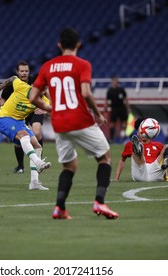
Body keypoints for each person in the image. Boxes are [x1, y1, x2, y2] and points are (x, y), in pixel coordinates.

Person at [29, 27, 118, 219]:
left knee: (69, 166)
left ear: (59, 45)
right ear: (78, 44)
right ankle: (100, 202)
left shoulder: (47, 66)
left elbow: (32, 97)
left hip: (59, 123)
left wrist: (50, 108)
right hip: (80, 119)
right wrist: (98, 113)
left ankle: (59, 208)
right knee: (105, 158)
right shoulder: (82, 64)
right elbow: (85, 93)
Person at [0, 76, 51, 190]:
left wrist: (46, 111)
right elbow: (13, 78)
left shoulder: (43, 100)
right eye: (41, 87)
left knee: (37, 145)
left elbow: (51, 110)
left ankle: (34, 182)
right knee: (24, 135)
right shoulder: (22, 86)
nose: (43, 90)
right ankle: (38, 162)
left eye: (44, 88)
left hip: (19, 122)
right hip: (5, 118)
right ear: (33, 86)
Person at [1, 61, 48, 174]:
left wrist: (44, 109)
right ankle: (20, 166)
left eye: (26, 71)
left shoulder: (35, 81)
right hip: (17, 113)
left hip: (34, 110)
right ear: (18, 72)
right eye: (22, 71)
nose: (24, 73)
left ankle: (38, 161)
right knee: (19, 141)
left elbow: (46, 98)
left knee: (37, 133)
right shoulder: (15, 84)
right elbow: (3, 99)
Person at [114, 117, 168, 182]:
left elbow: (161, 162)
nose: (143, 133)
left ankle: (165, 162)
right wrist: (116, 178)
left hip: (154, 173)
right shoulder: (130, 144)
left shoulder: (158, 145)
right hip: (139, 172)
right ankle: (138, 150)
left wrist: (166, 177)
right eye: (140, 131)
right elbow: (122, 160)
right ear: (137, 132)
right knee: (138, 147)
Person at [105, 76, 130, 143]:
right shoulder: (110, 91)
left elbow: (126, 99)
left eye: (116, 80)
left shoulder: (121, 90)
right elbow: (107, 100)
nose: (115, 82)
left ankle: (124, 137)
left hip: (122, 108)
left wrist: (128, 108)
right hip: (114, 109)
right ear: (112, 81)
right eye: (114, 80)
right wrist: (105, 109)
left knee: (124, 123)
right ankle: (111, 139)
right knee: (112, 124)